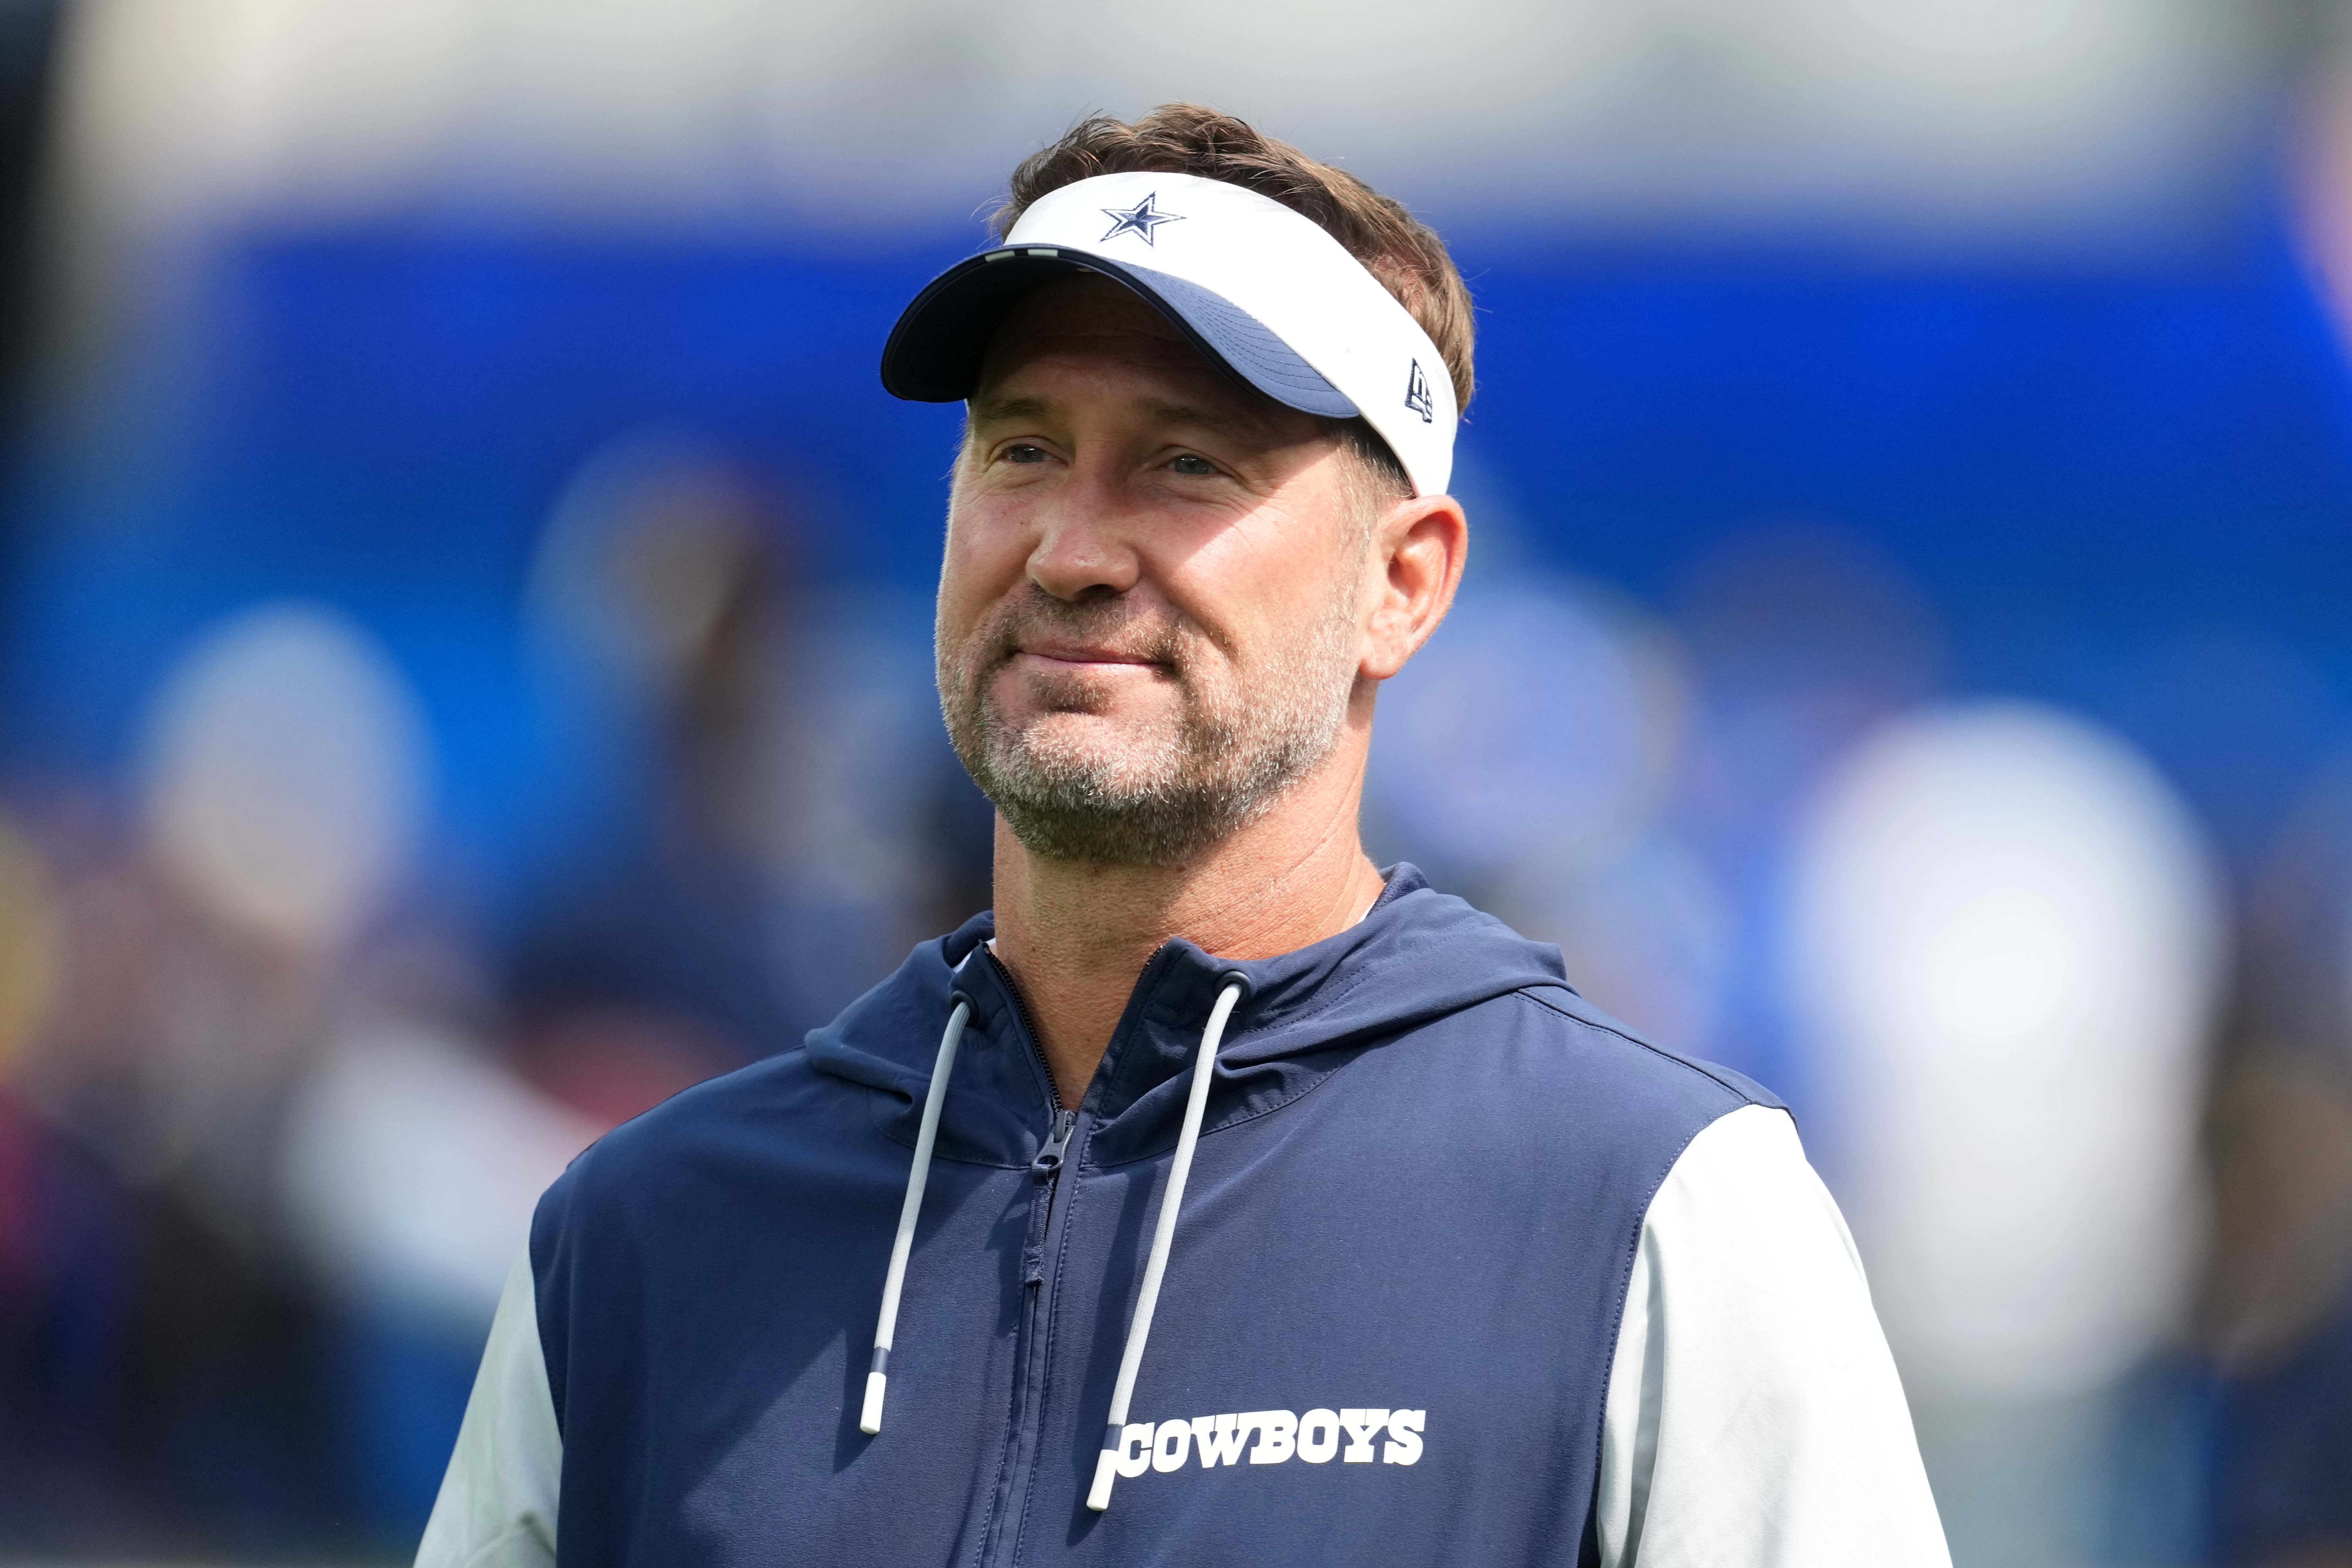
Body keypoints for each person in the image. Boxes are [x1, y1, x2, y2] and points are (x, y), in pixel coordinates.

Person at [416, 104, 1951, 1568]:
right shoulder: (639, 1241)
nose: (1071, 552)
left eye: (1187, 463)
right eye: (1022, 449)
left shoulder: (1649, 1202)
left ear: (1403, 585)